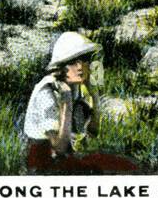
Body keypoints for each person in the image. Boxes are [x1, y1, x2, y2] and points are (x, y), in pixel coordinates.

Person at [24, 31, 139, 175]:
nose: (79, 67)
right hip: (43, 163)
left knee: (125, 164)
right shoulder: (47, 91)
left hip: (64, 158)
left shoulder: (74, 86)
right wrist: (66, 104)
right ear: (61, 66)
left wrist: (94, 96)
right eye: (73, 62)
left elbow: (93, 132)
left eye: (83, 60)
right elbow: (59, 147)